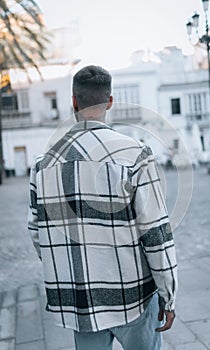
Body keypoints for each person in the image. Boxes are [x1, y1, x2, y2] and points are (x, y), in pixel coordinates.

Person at [28, 65, 178, 350]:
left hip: (81, 303)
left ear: (73, 101)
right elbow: (156, 234)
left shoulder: (42, 164)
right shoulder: (134, 155)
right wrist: (168, 295)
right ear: (110, 101)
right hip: (133, 297)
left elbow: (37, 234)